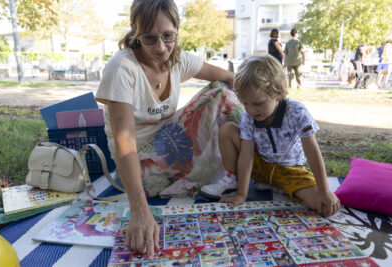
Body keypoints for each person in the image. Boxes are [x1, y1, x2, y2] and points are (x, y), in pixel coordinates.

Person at [95, 0, 242, 259]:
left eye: (168, 36)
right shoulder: (122, 68)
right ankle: (235, 173)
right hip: (139, 166)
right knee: (220, 96)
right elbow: (124, 143)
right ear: (135, 32)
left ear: (177, 28)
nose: (161, 47)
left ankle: (263, 167)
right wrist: (139, 210)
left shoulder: (178, 60)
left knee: (223, 94)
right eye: (150, 38)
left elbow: (230, 79)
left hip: (172, 147)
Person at [200, 55, 340, 218]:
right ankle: (234, 179)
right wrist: (241, 195)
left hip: (291, 171)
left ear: (278, 93)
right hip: (261, 167)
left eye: (258, 103)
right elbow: (246, 157)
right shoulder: (249, 117)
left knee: (324, 206)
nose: (251, 110)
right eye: (245, 103)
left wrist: (324, 190)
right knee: (227, 130)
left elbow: (312, 151)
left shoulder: (297, 112)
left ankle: (276, 185)